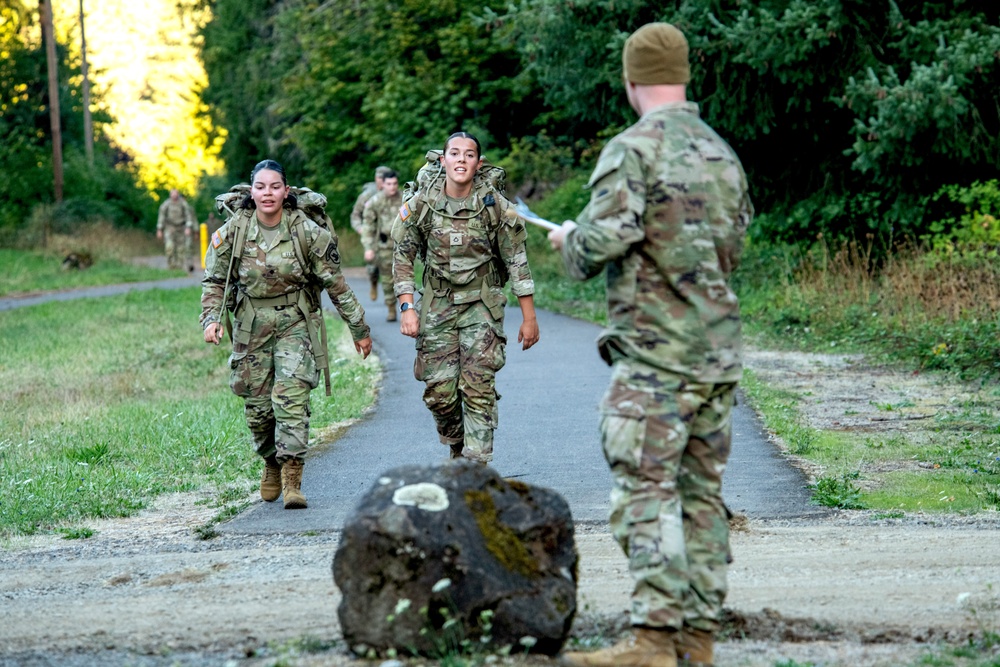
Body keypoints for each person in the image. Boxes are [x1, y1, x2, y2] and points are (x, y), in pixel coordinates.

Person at [548, 23, 753, 667]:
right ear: (683, 75)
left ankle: (654, 641)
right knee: (702, 498)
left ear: (630, 79)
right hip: (717, 355)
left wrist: (569, 241)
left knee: (644, 490)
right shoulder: (722, 153)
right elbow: (732, 248)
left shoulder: (633, 150)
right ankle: (698, 639)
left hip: (656, 358)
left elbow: (599, 245)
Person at [200, 159, 373, 510]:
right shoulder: (233, 231)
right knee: (258, 410)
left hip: (295, 322)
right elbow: (215, 281)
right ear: (251, 191)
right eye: (261, 187)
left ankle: (293, 479)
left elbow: (336, 284)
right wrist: (211, 320)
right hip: (250, 326)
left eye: (275, 187)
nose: (268, 193)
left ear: (286, 191)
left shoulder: (306, 232)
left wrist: (359, 328)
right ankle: (271, 461)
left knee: (291, 400)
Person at [392, 132, 540, 464]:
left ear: (478, 162)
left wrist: (529, 317)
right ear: (443, 160)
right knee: (440, 393)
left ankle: (476, 466)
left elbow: (517, 261)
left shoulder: (494, 206)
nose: (461, 159)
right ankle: (457, 447)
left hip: (482, 305)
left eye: (469, 154)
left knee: (478, 385)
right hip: (437, 305)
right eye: (455, 153)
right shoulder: (422, 205)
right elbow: (402, 257)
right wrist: (407, 307)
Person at [361, 169, 403, 322]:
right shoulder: (375, 202)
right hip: (384, 245)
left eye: (395, 183)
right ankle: (391, 307)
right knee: (387, 278)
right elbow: (368, 226)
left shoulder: (405, 199)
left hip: (404, 245)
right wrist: (368, 248)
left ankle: (408, 308)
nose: (392, 187)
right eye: (389, 184)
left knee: (404, 277)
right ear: (382, 184)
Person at [350, 165, 391, 301]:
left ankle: (391, 296)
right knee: (372, 267)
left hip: (388, 235)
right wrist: (360, 228)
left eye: (384, 178)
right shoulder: (367, 195)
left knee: (391, 266)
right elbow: (355, 215)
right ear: (376, 178)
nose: (381, 180)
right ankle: (374, 282)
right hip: (372, 235)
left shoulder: (393, 194)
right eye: (379, 177)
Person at [156, 188, 196, 271]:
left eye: (175, 193)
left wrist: (188, 227)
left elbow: (188, 216)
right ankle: (171, 265)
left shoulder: (183, 204)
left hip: (181, 228)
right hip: (170, 227)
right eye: (172, 194)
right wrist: (159, 229)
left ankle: (179, 266)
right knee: (169, 247)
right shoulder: (166, 204)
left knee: (181, 249)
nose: (174, 195)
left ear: (178, 194)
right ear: (170, 195)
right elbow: (161, 216)